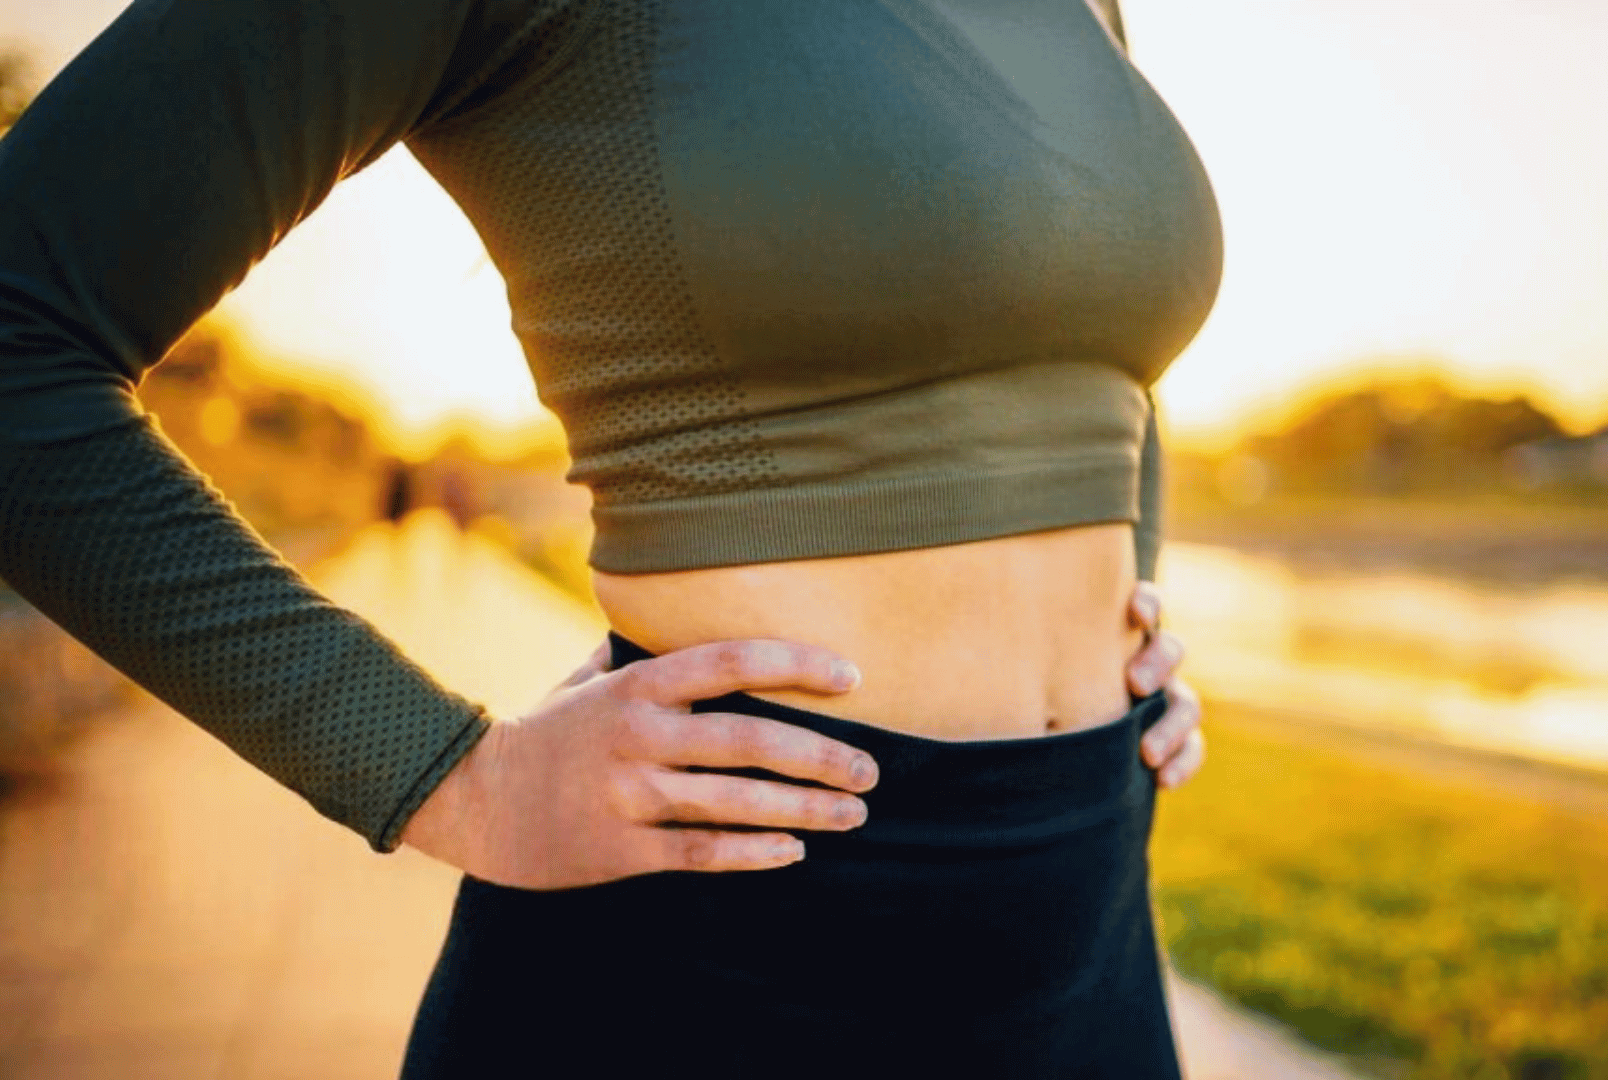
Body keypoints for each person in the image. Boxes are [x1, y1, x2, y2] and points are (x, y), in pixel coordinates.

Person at [0, 0, 1220, 1075]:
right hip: (727, 944)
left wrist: (1131, 609)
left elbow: (1097, 344)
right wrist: (448, 774)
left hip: (1093, 926)